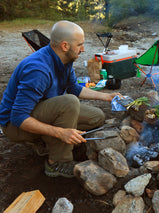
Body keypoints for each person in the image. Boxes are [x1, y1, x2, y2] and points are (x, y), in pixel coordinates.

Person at [0, 21, 121, 178]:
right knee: (69, 103)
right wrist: (60, 133)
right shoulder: (38, 70)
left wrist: (107, 96)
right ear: (65, 46)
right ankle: (56, 163)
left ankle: (46, 141)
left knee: (96, 117)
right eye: (80, 45)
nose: (83, 49)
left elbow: (74, 88)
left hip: (39, 110)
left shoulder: (64, 60)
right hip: (14, 125)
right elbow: (18, 117)